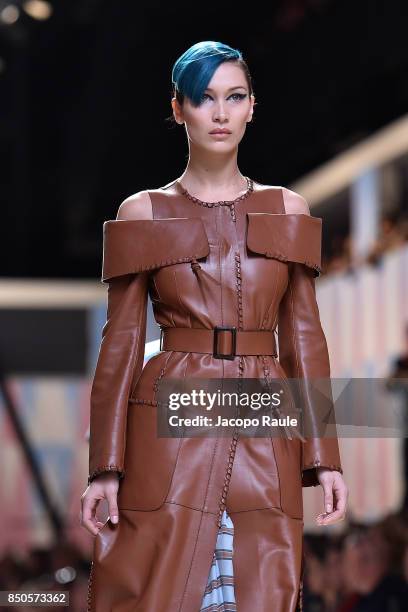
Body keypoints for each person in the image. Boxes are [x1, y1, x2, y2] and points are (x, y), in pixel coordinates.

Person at [80, 40, 348, 612]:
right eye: (203, 99)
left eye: (235, 97)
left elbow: (304, 339)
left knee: (263, 588)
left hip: (264, 418)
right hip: (171, 423)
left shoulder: (288, 210)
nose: (220, 114)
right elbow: (121, 346)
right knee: (164, 588)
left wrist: (325, 456)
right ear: (177, 109)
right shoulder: (143, 212)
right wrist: (105, 467)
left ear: (253, 106)